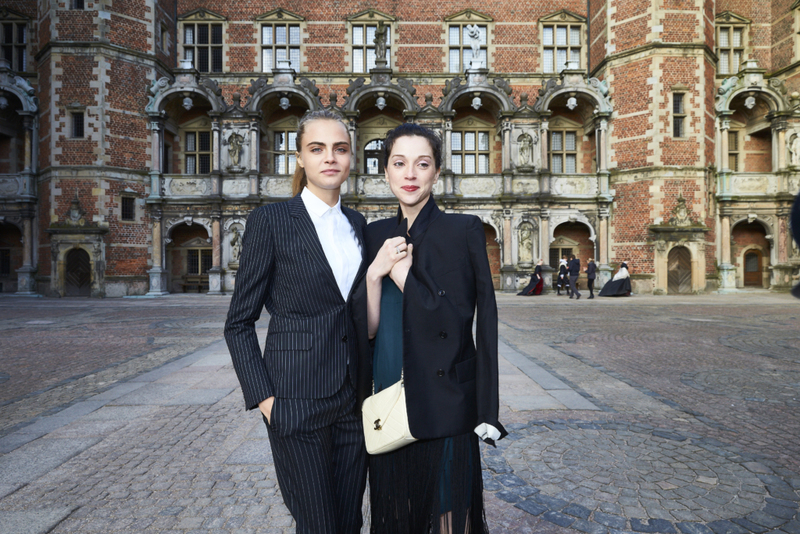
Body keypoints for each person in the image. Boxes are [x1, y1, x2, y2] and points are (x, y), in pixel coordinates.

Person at [354, 123, 507, 534]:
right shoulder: (373, 234)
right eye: (399, 163)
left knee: (448, 518)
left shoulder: (464, 230)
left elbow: (472, 322)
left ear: (436, 172)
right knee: (395, 516)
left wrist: (487, 409)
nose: (410, 174)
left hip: (446, 401)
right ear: (385, 172)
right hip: (388, 394)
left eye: (422, 164)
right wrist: (374, 275)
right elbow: (366, 330)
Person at [224, 110, 368, 534]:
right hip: (295, 400)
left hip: (351, 400)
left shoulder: (357, 224)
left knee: (348, 523)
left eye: (340, 149)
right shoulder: (270, 221)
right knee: (318, 526)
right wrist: (266, 401)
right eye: (317, 149)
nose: (330, 158)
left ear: (351, 157)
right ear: (300, 158)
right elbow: (238, 322)